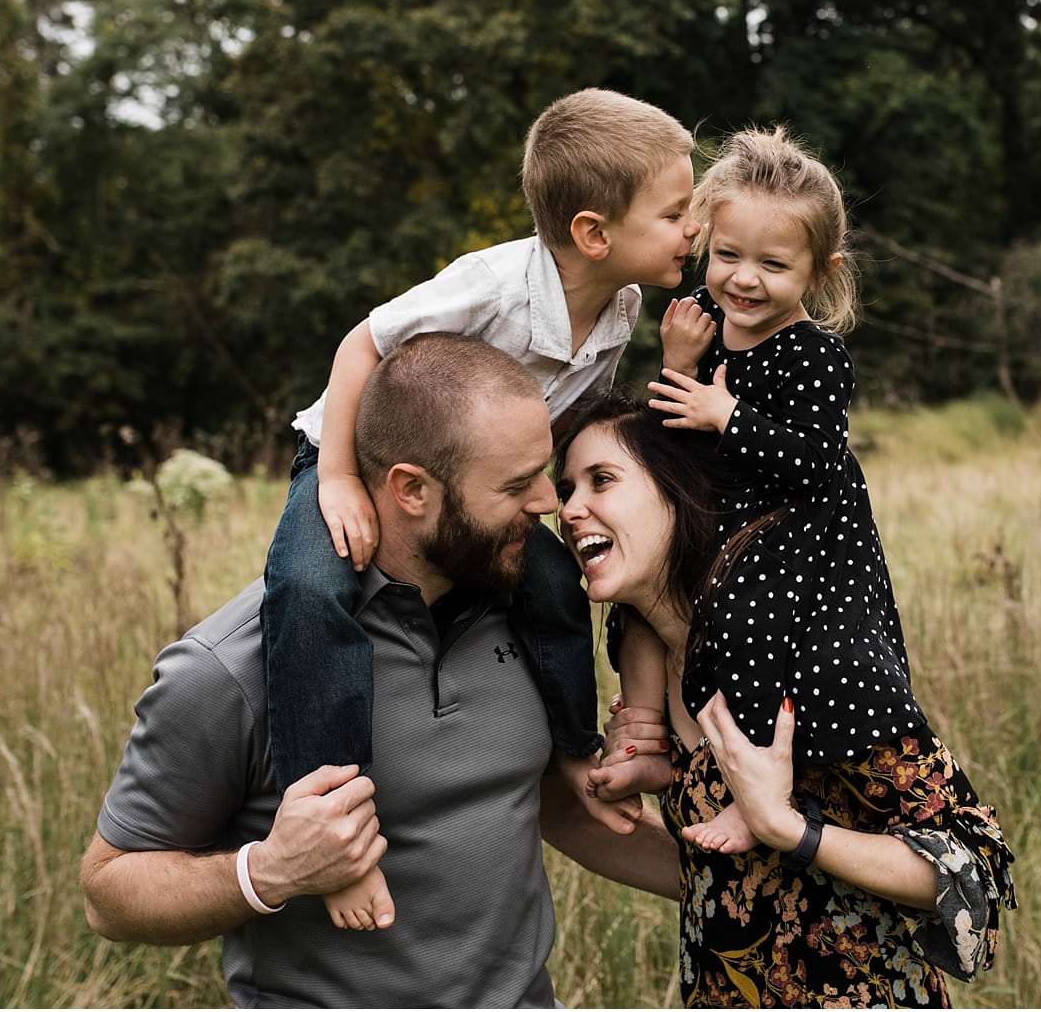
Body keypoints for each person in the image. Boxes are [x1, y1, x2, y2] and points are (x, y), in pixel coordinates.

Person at [80, 334, 680, 1008]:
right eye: (516, 484)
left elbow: (551, 805)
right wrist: (269, 871)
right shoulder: (229, 668)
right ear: (411, 489)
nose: (548, 502)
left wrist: (769, 883)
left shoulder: (523, 611)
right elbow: (109, 891)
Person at [264, 87, 699, 928]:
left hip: (491, 497)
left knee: (554, 588)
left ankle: (575, 753)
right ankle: (336, 843)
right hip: (357, 455)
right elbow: (364, 343)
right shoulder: (493, 284)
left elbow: (578, 422)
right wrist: (338, 482)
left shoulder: (622, 306)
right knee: (311, 594)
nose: (694, 229)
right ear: (593, 232)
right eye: (676, 212)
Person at [557, 390, 1017, 1007]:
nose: (570, 509)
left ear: (681, 490)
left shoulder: (803, 658)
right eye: (566, 490)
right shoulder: (650, 661)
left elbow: (972, 868)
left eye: (601, 481)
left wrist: (788, 829)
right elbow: (712, 874)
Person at [593, 126, 916, 851]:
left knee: (757, 639)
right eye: (728, 254)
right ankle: (645, 735)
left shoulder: (814, 353)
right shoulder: (703, 326)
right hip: (721, 524)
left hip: (798, 537)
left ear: (820, 270)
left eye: (773, 264)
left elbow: (817, 461)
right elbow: (668, 449)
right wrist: (679, 363)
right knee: (639, 595)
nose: (743, 278)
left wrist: (729, 414)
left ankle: (763, 794)